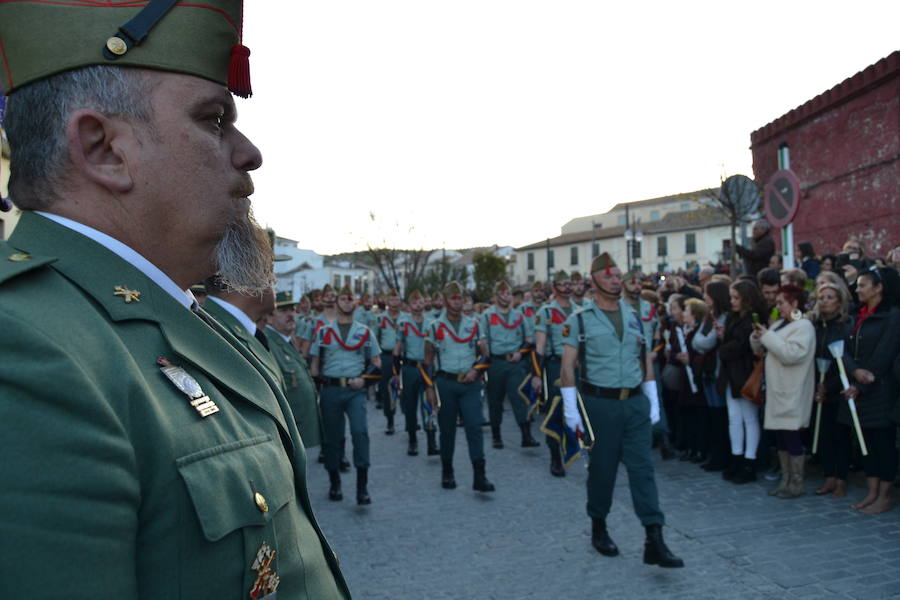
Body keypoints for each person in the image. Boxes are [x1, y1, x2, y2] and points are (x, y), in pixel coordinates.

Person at [0, 2, 349, 597]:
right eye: (214, 119)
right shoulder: (28, 351)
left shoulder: (180, 315)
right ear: (105, 148)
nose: (248, 152)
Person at [559, 253, 683, 568]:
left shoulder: (636, 316)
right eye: (610, 275)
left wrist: (652, 401)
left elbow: (645, 360)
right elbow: (568, 366)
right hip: (600, 405)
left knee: (643, 470)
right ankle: (598, 526)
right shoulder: (580, 319)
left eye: (619, 276)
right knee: (603, 470)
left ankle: (654, 538)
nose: (616, 280)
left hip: (634, 403)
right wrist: (571, 411)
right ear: (594, 279)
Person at [310, 285, 382, 505]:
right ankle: (335, 483)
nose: (347, 302)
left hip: (355, 390)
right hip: (331, 390)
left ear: (355, 303)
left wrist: (364, 379)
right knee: (332, 438)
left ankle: (362, 487)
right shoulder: (323, 332)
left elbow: (376, 363)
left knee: (360, 433)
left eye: (351, 299)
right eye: (343, 298)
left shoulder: (365, 332)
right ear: (337, 302)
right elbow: (314, 366)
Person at [424, 281, 495, 492]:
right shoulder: (435, 327)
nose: (458, 301)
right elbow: (427, 361)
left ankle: (479, 476)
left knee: (474, 427)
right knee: (447, 431)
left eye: (460, 297)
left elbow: (485, 354)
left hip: (470, 383)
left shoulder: (474, 324)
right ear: (445, 301)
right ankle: (447, 472)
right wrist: (430, 390)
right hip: (446, 383)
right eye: (453, 298)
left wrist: (476, 370)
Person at [839, 267, 900, 514]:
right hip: (859, 388)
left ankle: (884, 495)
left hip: (881, 390)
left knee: (883, 444)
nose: (857, 289)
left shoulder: (892, 316)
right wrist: (853, 373)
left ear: (878, 288)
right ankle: (871, 491)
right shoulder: (856, 315)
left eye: (863, 285)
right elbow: (841, 348)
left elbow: (884, 355)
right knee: (866, 443)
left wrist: (860, 384)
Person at [750, 284, 816, 498]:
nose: (777, 307)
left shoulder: (804, 326)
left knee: (791, 435)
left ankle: (796, 482)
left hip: (792, 389)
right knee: (780, 436)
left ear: (795, 303)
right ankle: (785, 480)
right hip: (777, 388)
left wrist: (768, 336)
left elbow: (791, 354)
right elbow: (763, 350)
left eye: (781, 303)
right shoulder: (779, 324)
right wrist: (758, 337)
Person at [718, 279, 769, 484]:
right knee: (734, 418)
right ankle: (737, 457)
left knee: (749, 418)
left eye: (736, 298)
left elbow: (740, 346)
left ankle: (749, 460)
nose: (732, 302)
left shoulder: (752, 319)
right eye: (731, 297)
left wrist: (723, 348)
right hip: (731, 373)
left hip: (745, 372)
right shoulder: (732, 317)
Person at [480, 280, 539, 449]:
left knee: (520, 397)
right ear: (496, 296)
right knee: (495, 400)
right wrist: (485, 358)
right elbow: (482, 340)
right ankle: (496, 435)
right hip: (496, 362)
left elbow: (529, 339)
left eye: (509, 293)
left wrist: (521, 352)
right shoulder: (487, 315)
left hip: (515, 362)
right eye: (503, 293)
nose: (507, 297)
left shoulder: (519, 315)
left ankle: (526, 435)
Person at [534, 270, 580, 476]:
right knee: (556, 411)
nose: (568, 287)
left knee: (581, 409)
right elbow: (540, 346)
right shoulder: (546, 312)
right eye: (563, 284)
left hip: (579, 365)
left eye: (570, 283)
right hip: (556, 366)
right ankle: (555, 456)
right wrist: (536, 374)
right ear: (554, 288)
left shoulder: (581, 310)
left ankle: (580, 447)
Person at [811, 282, 853, 498]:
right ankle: (828, 475)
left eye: (829, 297)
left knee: (841, 435)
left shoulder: (846, 325)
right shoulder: (817, 325)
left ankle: (841, 478)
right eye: (821, 297)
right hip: (819, 385)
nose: (825, 301)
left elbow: (847, 359)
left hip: (839, 387)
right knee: (825, 433)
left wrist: (829, 385)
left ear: (839, 301)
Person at [266, 291, 323, 449]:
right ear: (270, 317)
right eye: (283, 311)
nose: (291, 314)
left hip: (299, 427)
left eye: (292, 310)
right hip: (288, 432)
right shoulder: (268, 343)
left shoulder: (286, 340)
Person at [395, 289, 439, 456]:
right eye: (414, 302)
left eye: (420, 302)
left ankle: (431, 441)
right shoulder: (403, 323)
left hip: (427, 368)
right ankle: (412, 440)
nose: (418, 305)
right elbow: (397, 348)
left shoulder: (432, 322)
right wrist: (396, 373)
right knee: (411, 405)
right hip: (410, 368)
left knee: (429, 403)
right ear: (409, 305)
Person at [694, 281, 731, 472]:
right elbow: (697, 341)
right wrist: (704, 341)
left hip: (717, 371)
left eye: (706, 294)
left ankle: (722, 457)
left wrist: (704, 341)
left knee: (720, 417)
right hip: (707, 371)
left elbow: (706, 342)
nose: (704, 298)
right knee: (713, 415)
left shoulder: (724, 317)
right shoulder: (709, 318)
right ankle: (715, 456)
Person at [375, 288, 404, 434]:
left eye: (396, 299)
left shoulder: (406, 318)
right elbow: (375, 339)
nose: (394, 302)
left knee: (407, 390)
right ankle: (390, 420)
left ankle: (410, 419)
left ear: (400, 301)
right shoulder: (380, 318)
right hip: (387, 357)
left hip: (405, 357)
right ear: (387, 302)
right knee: (388, 390)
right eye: (391, 300)